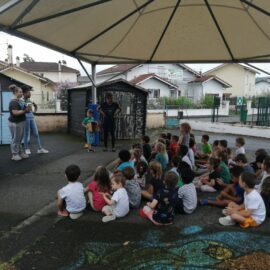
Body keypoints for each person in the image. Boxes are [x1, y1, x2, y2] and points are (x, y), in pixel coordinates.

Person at [21, 85, 49, 155]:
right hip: (25, 118)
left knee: (36, 133)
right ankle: (26, 148)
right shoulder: (21, 100)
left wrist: (34, 111)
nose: (30, 93)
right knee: (26, 134)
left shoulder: (31, 99)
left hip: (31, 117)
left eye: (30, 92)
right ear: (24, 93)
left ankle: (40, 149)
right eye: (28, 92)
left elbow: (35, 105)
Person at [8, 84, 31, 161]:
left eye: (22, 92)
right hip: (15, 123)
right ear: (15, 93)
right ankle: (14, 154)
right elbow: (15, 113)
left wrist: (28, 108)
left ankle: (20, 152)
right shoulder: (13, 102)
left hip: (20, 122)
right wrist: (25, 110)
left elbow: (24, 109)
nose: (22, 93)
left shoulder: (20, 100)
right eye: (20, 92)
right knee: (16, 139)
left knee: (18, 139)